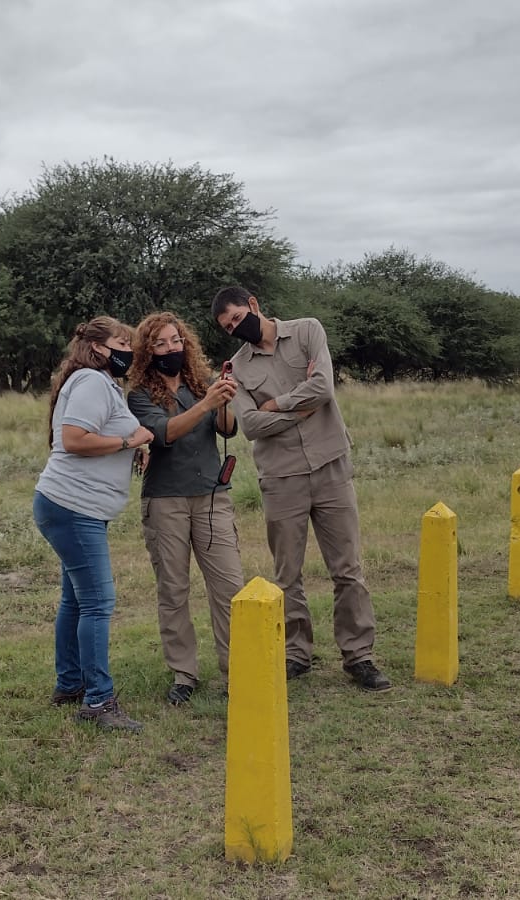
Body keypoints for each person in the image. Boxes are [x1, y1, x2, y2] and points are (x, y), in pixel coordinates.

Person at [211, 286, 392, 693]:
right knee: (286, 574)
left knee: (347, 569)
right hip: (281, 476)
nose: (236, 329)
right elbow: (251, 427)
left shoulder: (308, 331)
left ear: (254, 304)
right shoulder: (236, 368)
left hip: (330, 464)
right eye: (228, 327)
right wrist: (300, 408)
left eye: (238, 318)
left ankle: (359, 655)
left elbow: (324, 388)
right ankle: (296, 653)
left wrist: (275, 404)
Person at [33, 316, 154, 732]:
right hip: (74, 507)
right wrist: (129, 442)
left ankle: (71, 684)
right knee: (98, 602)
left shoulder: (101, 384)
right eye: (123, 342)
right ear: (99, 347)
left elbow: (114, 428)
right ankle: (99, 701)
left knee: (76, 600)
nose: (130, 350)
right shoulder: (90, 381)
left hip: (74, 507)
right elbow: (74, 439)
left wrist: (137, 439)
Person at [125, 312, 246, 705]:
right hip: (166, 500)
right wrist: (207, 403)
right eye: (159, 344)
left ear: (185, 343)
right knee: (174, 589)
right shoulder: (140, 394)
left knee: (228, 585)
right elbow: (163, 434)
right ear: (147, 351)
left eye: (175, 340)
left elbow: (227, 429)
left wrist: (224, 399)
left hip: (211, 495)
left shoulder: (201, 382)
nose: (170, 349)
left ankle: (238, 671)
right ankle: (184, 673)